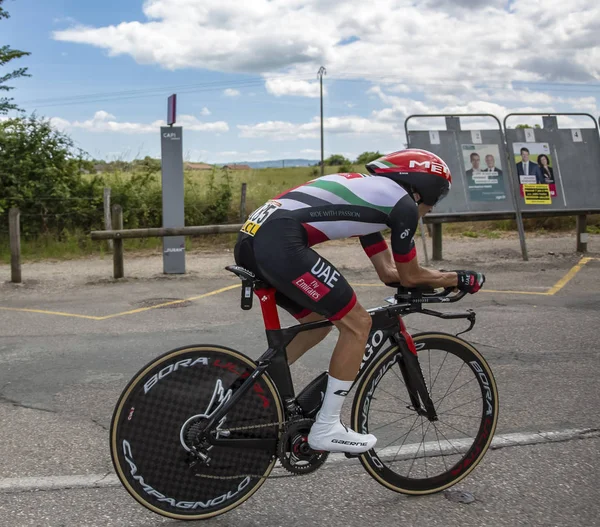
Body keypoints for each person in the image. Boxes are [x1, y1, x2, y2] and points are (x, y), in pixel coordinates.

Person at [233, 149, 485, 455]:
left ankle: (239, 397)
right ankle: (326, 427)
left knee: (316, 324)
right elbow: (410, 274)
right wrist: (457, 278)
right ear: (424, 190)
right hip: (279, 241)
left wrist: (419, 280)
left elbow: (389, 273)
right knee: (358, 324)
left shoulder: (375, 198)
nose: (432, 208)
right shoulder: (403, 204)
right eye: (437, 199)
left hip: (251, 238)